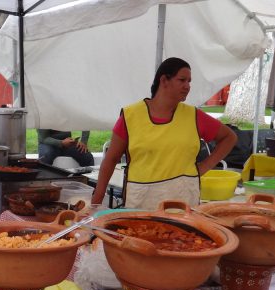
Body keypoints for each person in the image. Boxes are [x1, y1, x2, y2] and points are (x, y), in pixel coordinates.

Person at [91, 57, 237, 210]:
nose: (187, 86)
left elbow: (229, 137)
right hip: (141, 206)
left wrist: (205, 166)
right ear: (164, 80)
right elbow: (111, 158)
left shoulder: (194, 116)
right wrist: (96, 200)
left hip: (183, 205)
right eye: (182, 80)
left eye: (189, 81)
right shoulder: (131, 116)